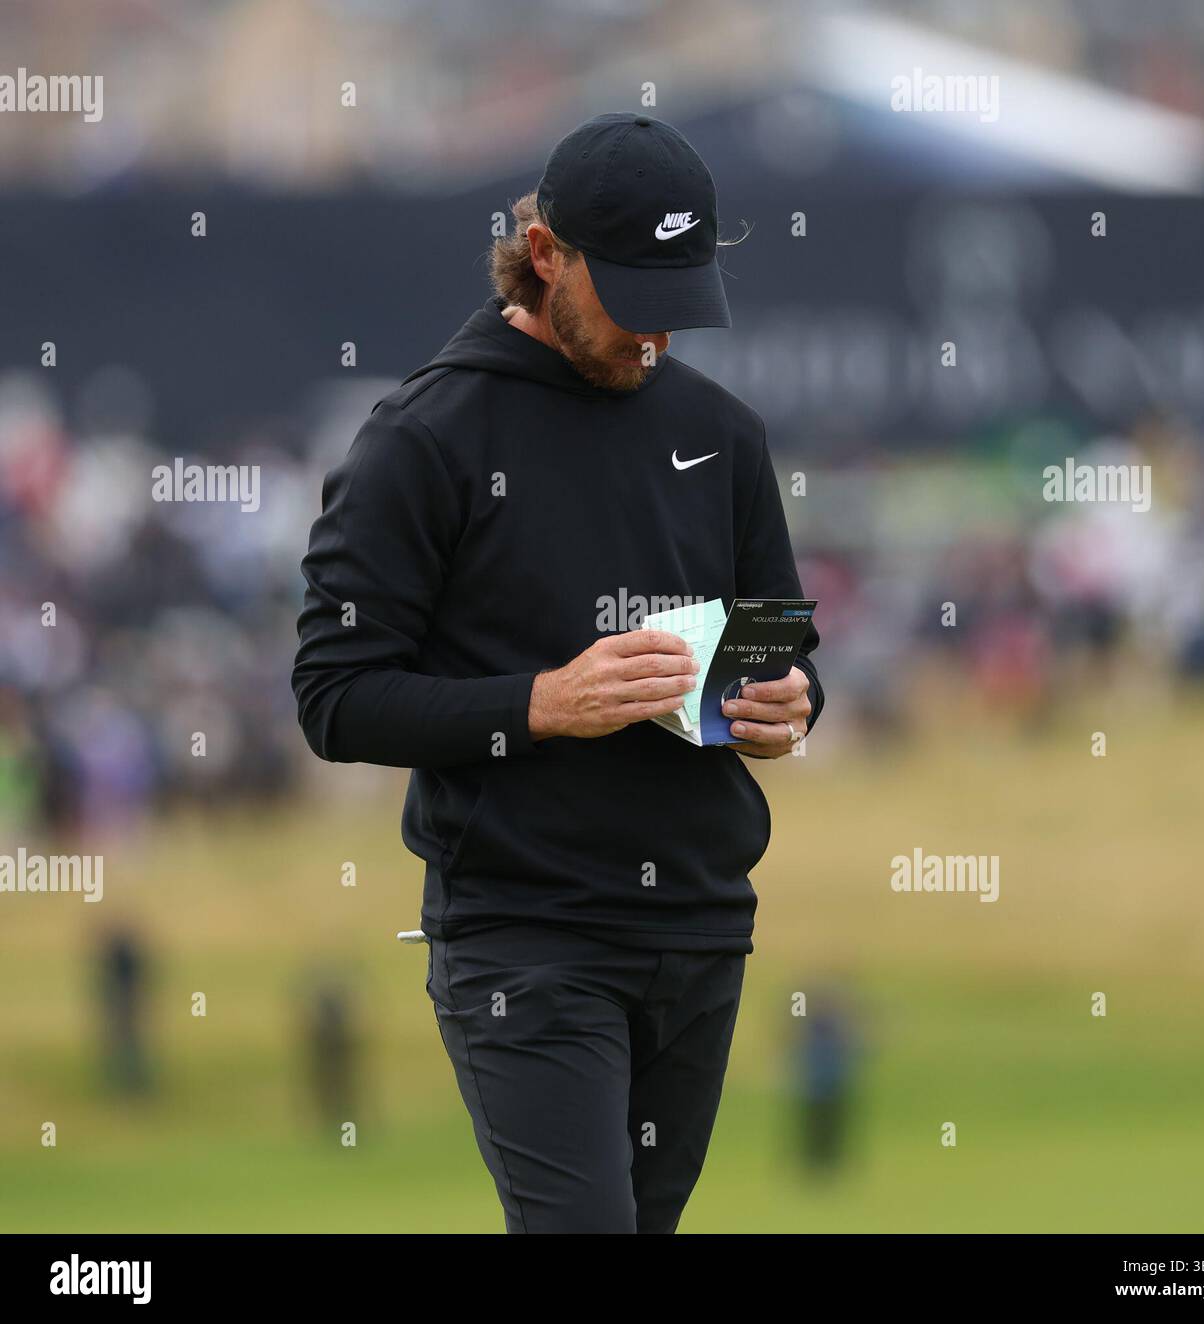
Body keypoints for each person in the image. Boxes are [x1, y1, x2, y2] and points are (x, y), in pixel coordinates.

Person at [293, 112, 825, 1233]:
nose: (657, 339)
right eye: (632, 300)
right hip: (524, 938)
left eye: (680, 305)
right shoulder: (423, 439)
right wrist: (543, 704)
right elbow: (334, 697)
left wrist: (785, 706)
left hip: (698, 926)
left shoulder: (721, 434)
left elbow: (781, 654)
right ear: (545, 257)